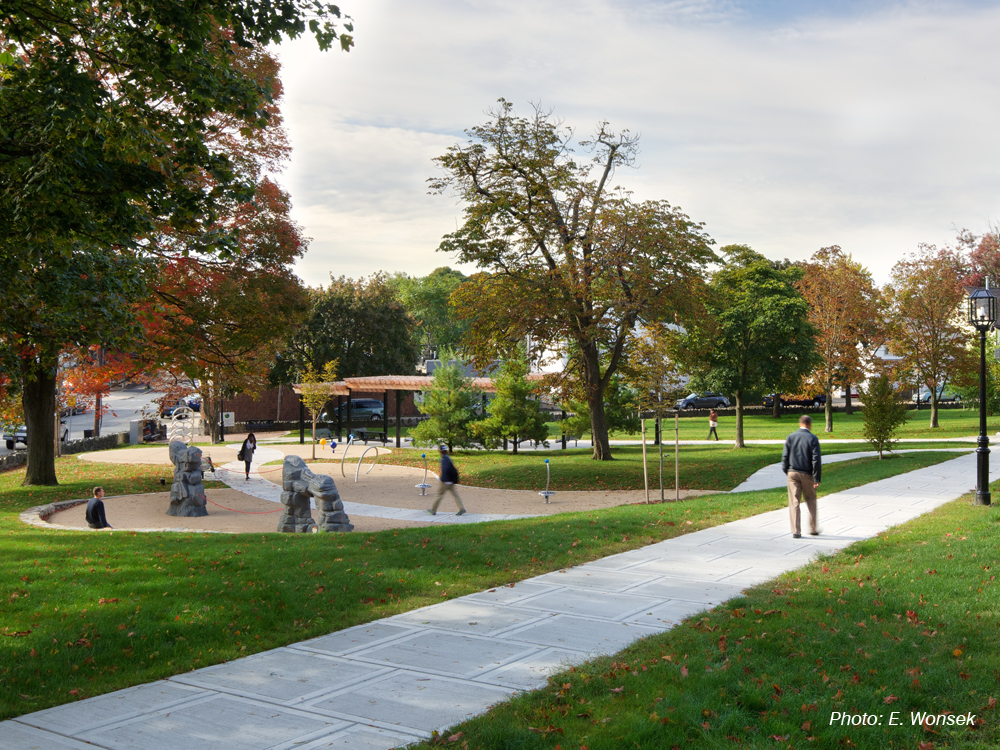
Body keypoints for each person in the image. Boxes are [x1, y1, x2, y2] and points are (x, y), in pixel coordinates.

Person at [781, 414, 821, 538]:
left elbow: (785, 456)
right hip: (807, 473)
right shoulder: (813, 438)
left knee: (794, 502)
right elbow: (816, 459)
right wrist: (816, 478)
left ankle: (796, 531)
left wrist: (786, 470)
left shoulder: (791, 437)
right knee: (811, 500)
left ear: (800, 423)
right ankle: (813, 528)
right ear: (809, 424)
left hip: (792, 472)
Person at [429, 445, 466, 516]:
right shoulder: (448, 458)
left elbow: (445, 470)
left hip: (445, 482)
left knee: (439, 495)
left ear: (440, 451)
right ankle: (461, 509)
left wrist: (443, 479)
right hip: (451, 481)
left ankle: (433, 510)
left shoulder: (443, 459)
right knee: (456, 495)